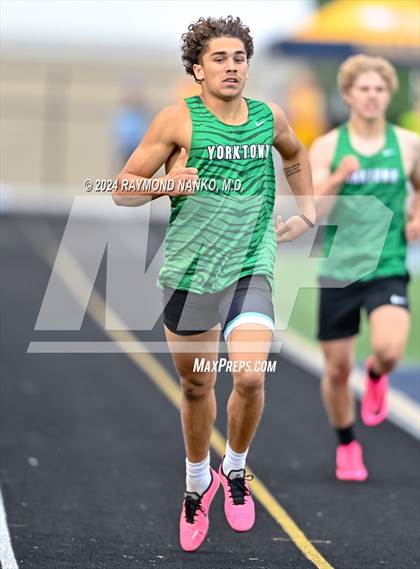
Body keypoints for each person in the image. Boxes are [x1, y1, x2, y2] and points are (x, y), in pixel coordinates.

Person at [113, 16, 315, 551]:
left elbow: (294, 154)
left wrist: (309, 211)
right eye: (219, 59)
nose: (231, 67)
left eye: (239, 58)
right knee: (198, 385)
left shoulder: (270, 117)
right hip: (191, 270)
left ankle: (237, 469)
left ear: (249, 64)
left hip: (251, 263)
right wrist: (164, 185)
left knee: (249, 376)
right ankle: (196, 481)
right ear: (197, 68)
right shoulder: (178, 121)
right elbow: (121, 190)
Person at [310, 55, 420, 482]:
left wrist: (415, 215)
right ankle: (347, 445)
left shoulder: (407, 143)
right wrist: (339, 175)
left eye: (379, 89)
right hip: (341, 267)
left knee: (391, 349)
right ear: (348, 95)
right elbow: (315, 211)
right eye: (364, 89)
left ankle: (375, 374)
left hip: (388, 262)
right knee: (337, 369)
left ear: (388, 94)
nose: (372, 96)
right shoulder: (328, 146)